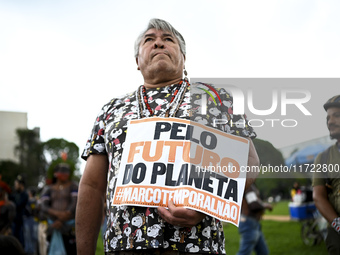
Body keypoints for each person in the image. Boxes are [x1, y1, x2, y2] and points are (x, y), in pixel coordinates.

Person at [76, 18, 259, 255]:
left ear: (183, 58)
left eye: (168, 40)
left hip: (198, 246)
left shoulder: (215, 98)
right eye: (149, 40)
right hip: (126, 247)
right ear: (137, 62)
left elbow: (250, 162)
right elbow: (92, 185)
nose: (159, 44)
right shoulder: (112, 109)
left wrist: (205, 207)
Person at [313, 95, 340, 255]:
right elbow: (318, 196)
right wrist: (337, 224)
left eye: (337, 116)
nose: (330, 121)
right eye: (328, 118)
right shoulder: (323, 158)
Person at [40, 163, 78, 254]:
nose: (65, 174)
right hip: (53, 225)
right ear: (55, 174)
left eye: (66, 172)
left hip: (69, 226)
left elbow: (75, 203)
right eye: (62, 171)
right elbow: (44, 206)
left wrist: (62, 219)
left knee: (71, 250)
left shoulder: (74, 186)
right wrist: (58, 214)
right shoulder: (48, 189)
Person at [237, 183, 272, 255]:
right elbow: (254, 204)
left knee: (263, 252)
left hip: (253, 224)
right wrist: (265, 205)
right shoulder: (248, 186)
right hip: (249, 223)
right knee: (244, 253)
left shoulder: (250, 185)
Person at [9, 174, 29, 248]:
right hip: (15, 221)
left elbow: (18, 205)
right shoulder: (16, 194)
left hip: (21, 222)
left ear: (21, 185)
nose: (15, 186)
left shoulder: (24, 195)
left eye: (16, 184)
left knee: (20, 242)